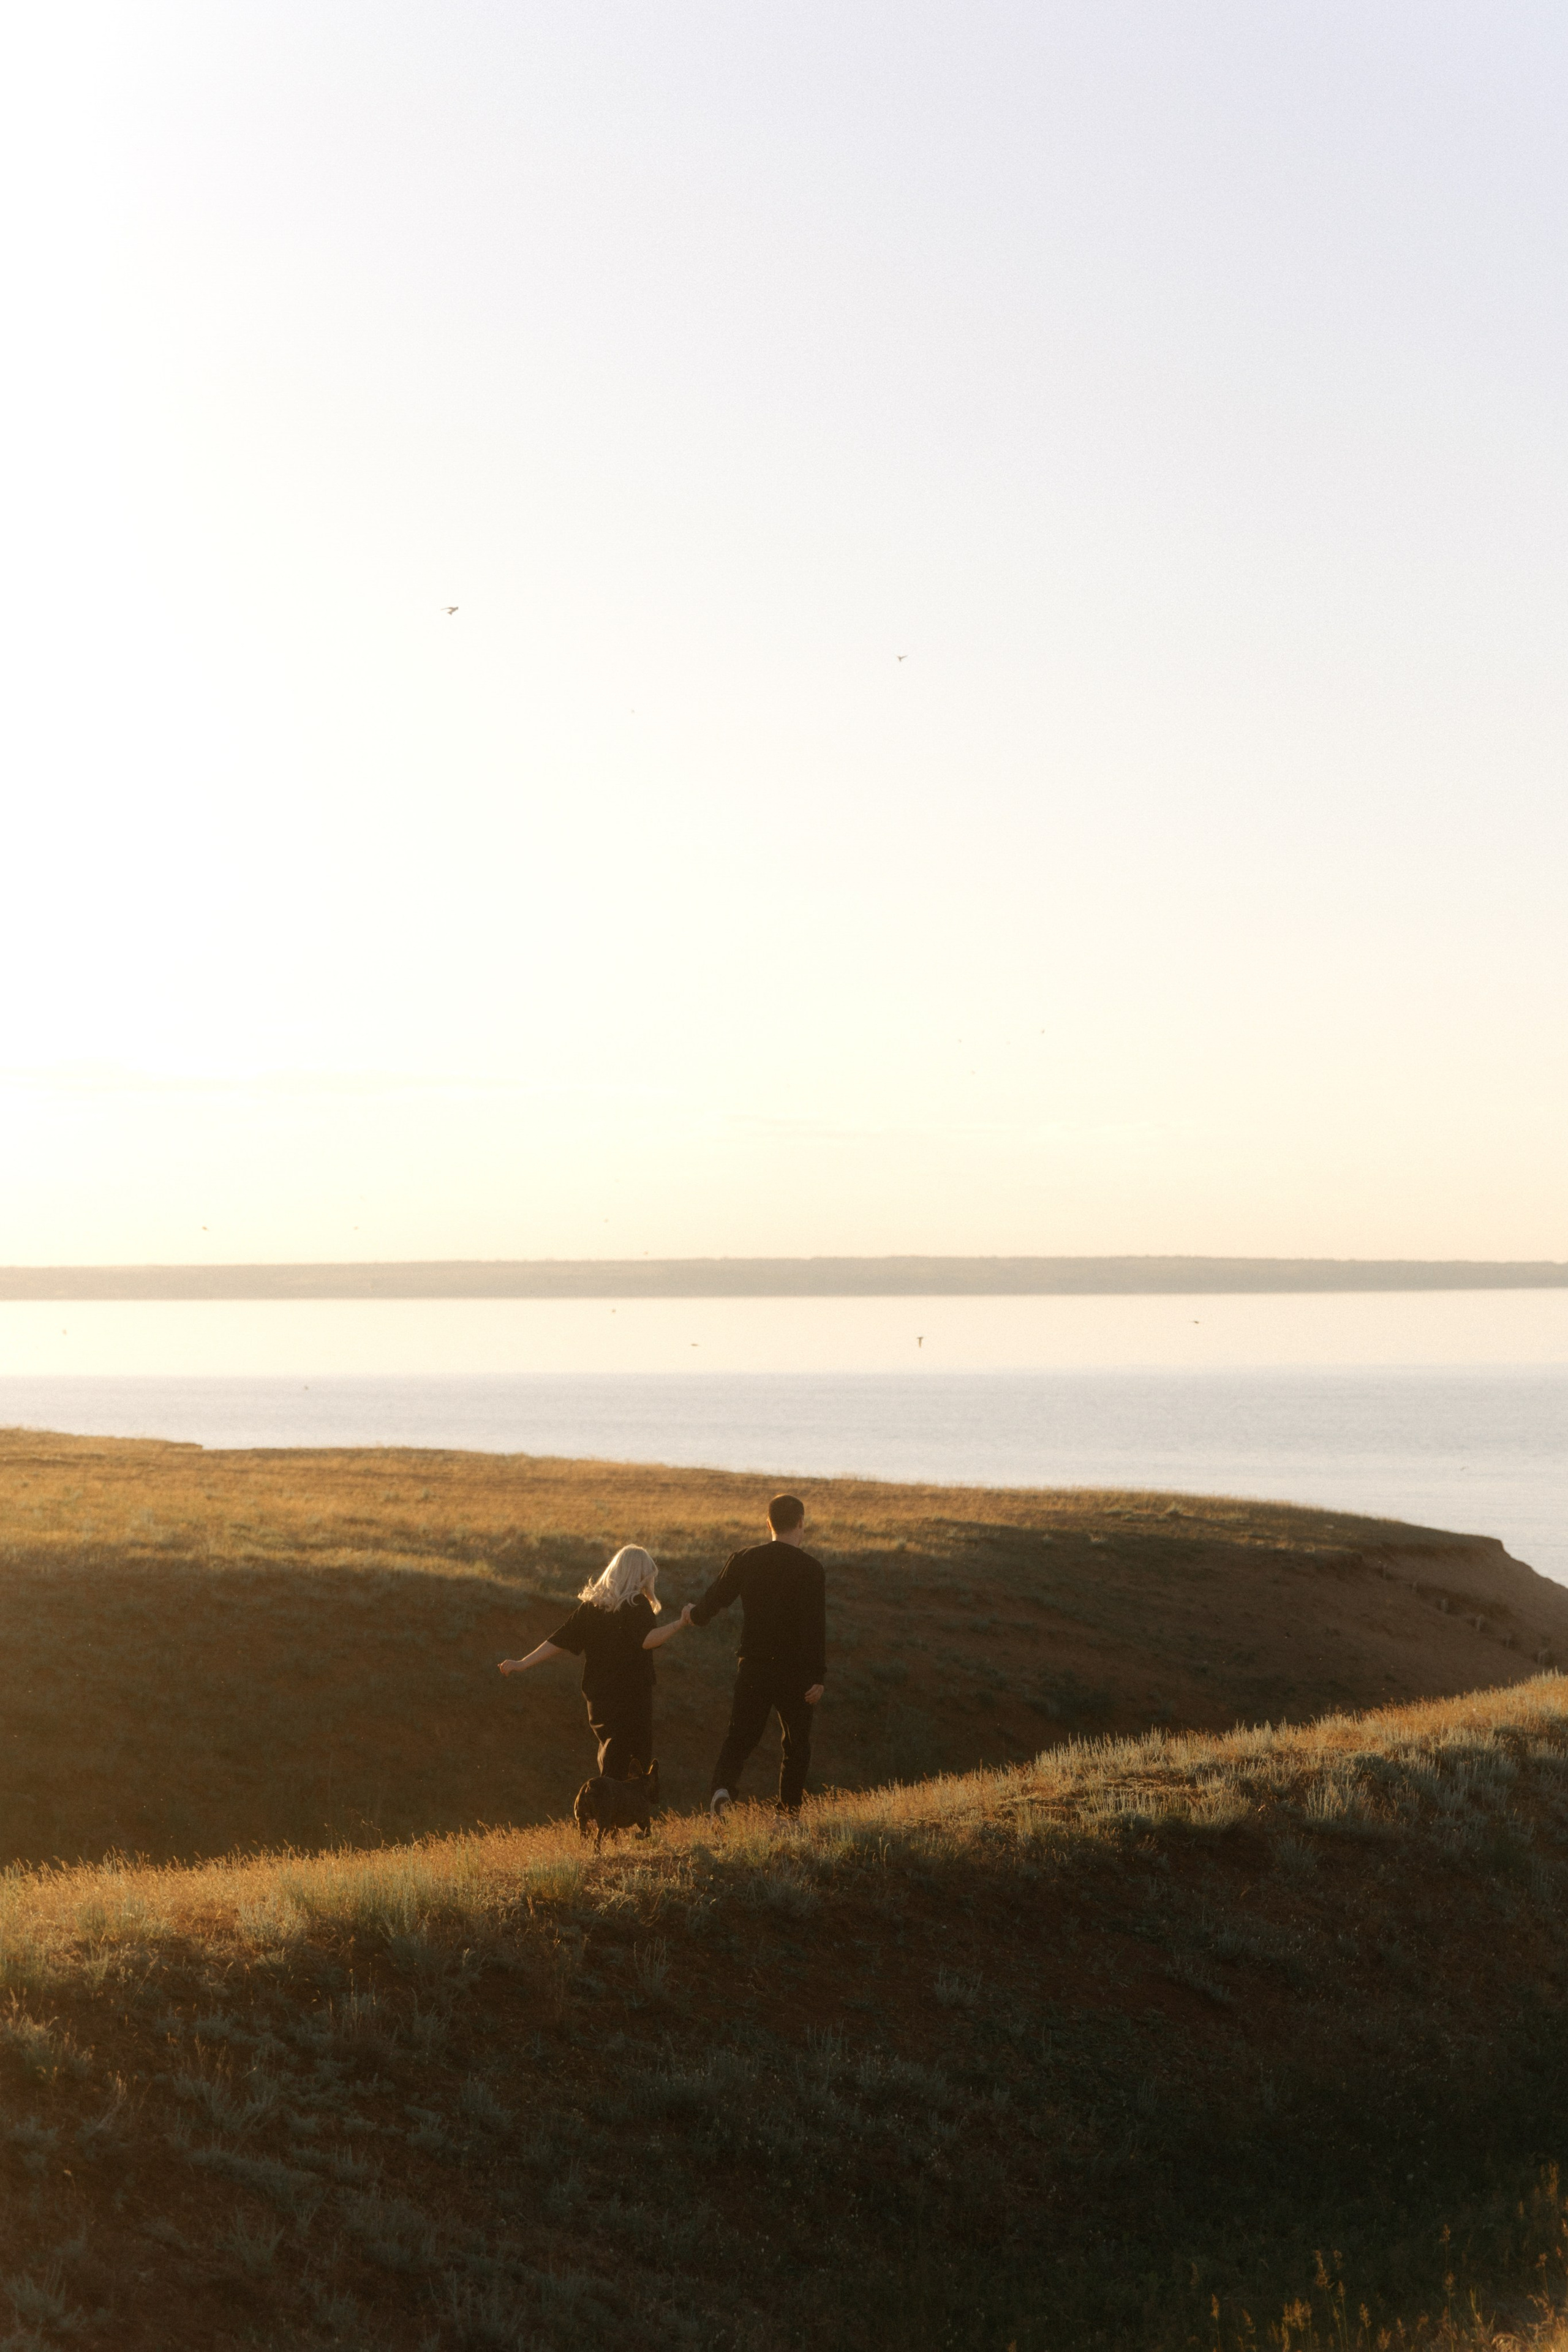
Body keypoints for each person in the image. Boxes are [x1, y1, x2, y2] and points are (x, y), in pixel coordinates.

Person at [498, 1545, 692, 1778]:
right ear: (638, 1575)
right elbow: (648, 1640)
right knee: (634, 1762)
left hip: (599, 1697)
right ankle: (620, 1807)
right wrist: (680, 1624)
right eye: (647, 1577)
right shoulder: (636, 1604)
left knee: (613, 1753)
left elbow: (559, 1640)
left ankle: (604, 1804)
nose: (648, 1583)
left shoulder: (591, 1608)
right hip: (630, 1696)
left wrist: (522, 1663)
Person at [691, 1494, 826, 1817]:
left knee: (740, 1736)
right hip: (796, 1673)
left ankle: (722, 1792)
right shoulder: (812, 1569)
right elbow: (815, 1626)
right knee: (795, 1745)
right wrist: (818, 1677)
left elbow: (716, 1598)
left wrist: (695, 1615)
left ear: (768, 1524)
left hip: (754, 1666)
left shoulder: (745, 1559)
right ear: (801, 1522)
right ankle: (788, 1814)